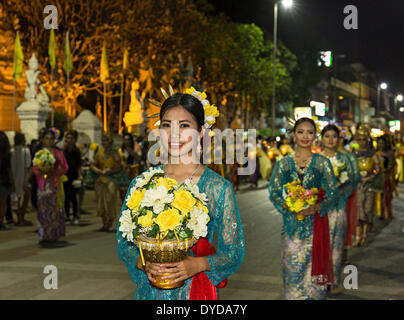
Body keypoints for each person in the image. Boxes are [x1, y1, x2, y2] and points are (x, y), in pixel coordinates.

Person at [117, 92, 245, 300]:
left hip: (195, 291)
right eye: (166, 125)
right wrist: (142, 262)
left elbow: (233, 252)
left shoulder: (218, 188)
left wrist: (199, 264)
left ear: (201, 131)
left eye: (184, 125)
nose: (174, 134)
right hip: (149, 293)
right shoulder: (142, 184)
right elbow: (125, 243)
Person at [268, 118, 339, 300]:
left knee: (314, 283)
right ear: (293, 135)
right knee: (292, 278)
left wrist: (316, 207)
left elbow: (333, 194)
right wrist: (287, 206)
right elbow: (274, 193)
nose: (305, 136)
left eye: (310, 132)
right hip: (291, 231)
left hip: (316, 230)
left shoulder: (322, 163)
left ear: (315, 136)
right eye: (300, 131)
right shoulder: (283, 164)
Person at [320, 125, 359, 294]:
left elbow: (354, 179)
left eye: (334, 136)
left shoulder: (345, 158)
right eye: (327, 136)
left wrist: (341, 190)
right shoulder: (315, 159)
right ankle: (321, 278)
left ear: (339, 139)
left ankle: (334, 279)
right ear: (321, 139)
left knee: (337, 245)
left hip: (339, 207)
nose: (330, 139)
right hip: (320, 209)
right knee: (321, 245)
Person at [32, 130, 68, 244]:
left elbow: (65, 167)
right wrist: (42, 172)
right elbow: (34, 168)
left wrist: (55, 172)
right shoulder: (39, 154)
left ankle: (53, 234)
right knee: (42, 209)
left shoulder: (58, 153)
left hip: (54, 184)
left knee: (53, 210)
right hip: (42, 185)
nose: (49, 141)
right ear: (43, 140)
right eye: (46, 138)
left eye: (51, 139)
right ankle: (44, 235)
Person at [90, 133, 129, 232]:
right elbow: (93, 164)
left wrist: (110, 170)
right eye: (103, 140)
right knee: (100, 201)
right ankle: (104, 223)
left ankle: (110, 222)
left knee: (110, 201)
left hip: (111, 179)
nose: (104, 143)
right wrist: (96, 170)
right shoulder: (99, 152)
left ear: (110, 142)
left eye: (106, 141)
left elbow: (119, 167)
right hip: (101, 179)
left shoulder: (115, 153)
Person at [353, 126, 380, 247]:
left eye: (364, 139)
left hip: (369, 185)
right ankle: (357, 237)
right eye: (359, 139)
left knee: (367, 209)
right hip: (358, 185)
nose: (361, 142)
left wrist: (369, 178)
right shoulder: (354, 153)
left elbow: (377, 170)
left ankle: (364, 235)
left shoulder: (372, 153)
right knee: (359, 210)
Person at [11, 133, 33, 226]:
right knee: (25, 198)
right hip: (24, 178)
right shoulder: (26, 151)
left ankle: (19, 218)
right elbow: (29, 167)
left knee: (16, 200)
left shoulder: (11, 151)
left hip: (14, 178)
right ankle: (21, 218)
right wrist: (27, 180)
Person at [63, 130, 82, 225]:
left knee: (73, 196)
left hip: (73, 175)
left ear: (74, 140)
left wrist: (79, 176)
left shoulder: (77, 151)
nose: (69, 140)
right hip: (65, 176)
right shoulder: (64, 151)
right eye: (68, 138)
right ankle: (67, 215)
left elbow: (79, 165)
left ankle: (75, 215)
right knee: (65, 196)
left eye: (71, 138)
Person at [376, 135, 395, 221]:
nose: (381, 145)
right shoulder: (375, 154)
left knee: (385, 196)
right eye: (379, 143)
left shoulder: (389, 153)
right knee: (377, 196)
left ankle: (386, 213)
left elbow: (392, 165)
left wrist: (384, 170)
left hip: (385, 177)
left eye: (382, 143)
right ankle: (379, 212)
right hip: (376, 177)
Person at [0, 132, 15, 230]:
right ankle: (0, 222)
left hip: (3, 179)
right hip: (4, 180)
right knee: (3, 203)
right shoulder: (6, 155)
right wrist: (12, 181)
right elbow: (9, 169)